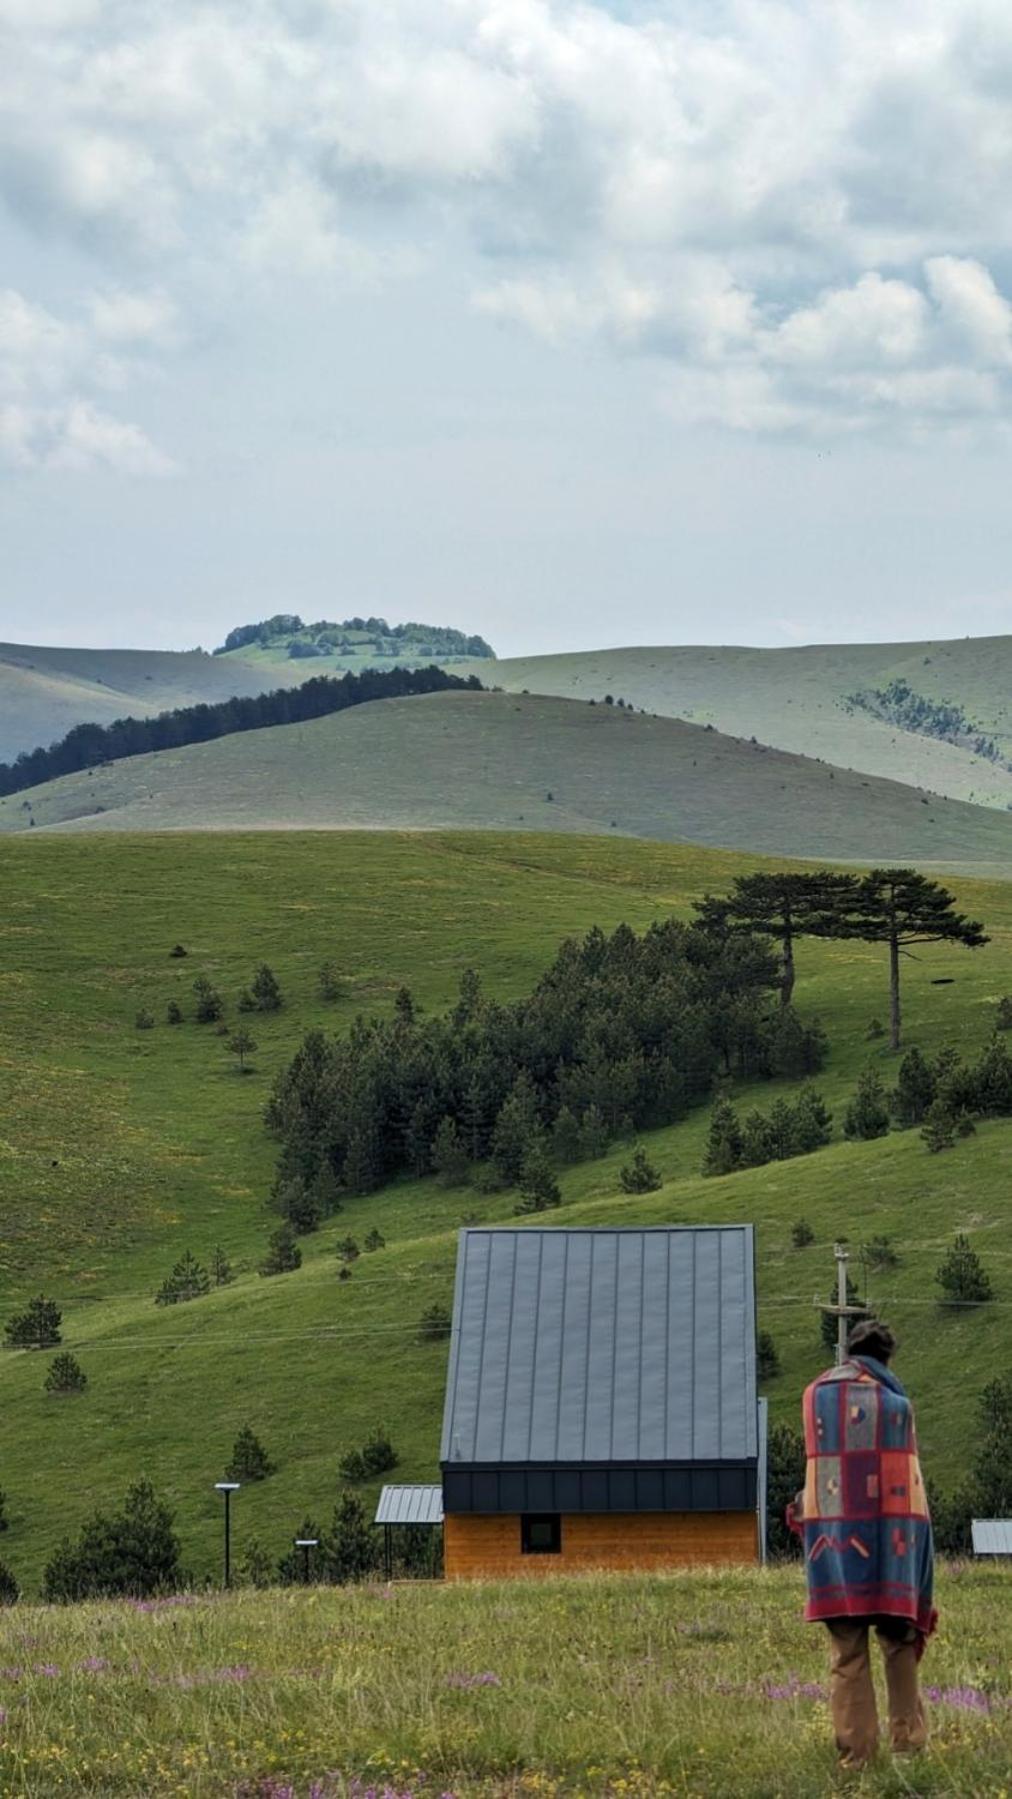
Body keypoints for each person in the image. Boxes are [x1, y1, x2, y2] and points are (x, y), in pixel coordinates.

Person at [790, 1318, 937, 1770]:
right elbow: (907, 1487)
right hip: (891, 1549)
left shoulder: (815, 1397)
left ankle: (856, 1758)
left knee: (847, 1652)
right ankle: (907, 1747)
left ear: (849, 1352)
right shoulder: (897, 1406)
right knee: (897, 1643)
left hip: (835, 1548)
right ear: (886, 1357)